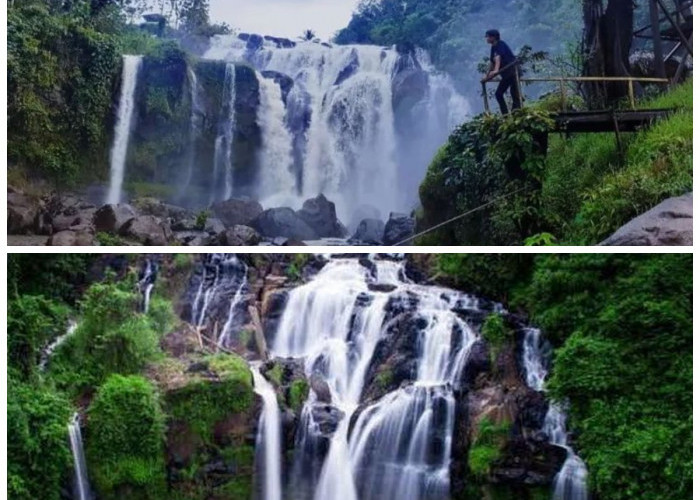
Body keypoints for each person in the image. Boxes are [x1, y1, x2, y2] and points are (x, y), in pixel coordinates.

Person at [481, 29, 521, 115]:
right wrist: (487, 76)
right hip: (506, 74)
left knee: (514, 94)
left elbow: (498, 58)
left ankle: (515, 114)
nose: (487, 39)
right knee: (500, 94)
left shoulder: (500, 44)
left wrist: (496, 71)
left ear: (493, 37)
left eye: (488, 37)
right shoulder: (493, 47)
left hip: (512, 71)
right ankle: (506, 115)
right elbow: (492, 62)